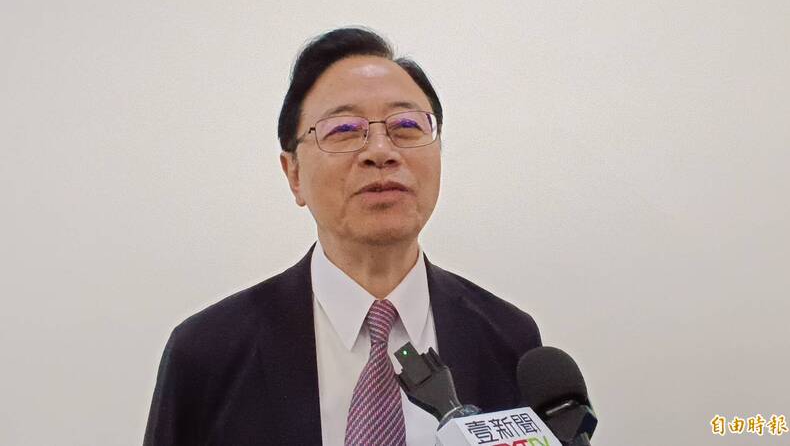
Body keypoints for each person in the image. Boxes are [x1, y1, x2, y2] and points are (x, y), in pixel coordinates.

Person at [144, 27, 541, 446]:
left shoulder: (510, 340)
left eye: (407, 125)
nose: (381, 151)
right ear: (293, 174)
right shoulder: (207, 353)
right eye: (344, 130)